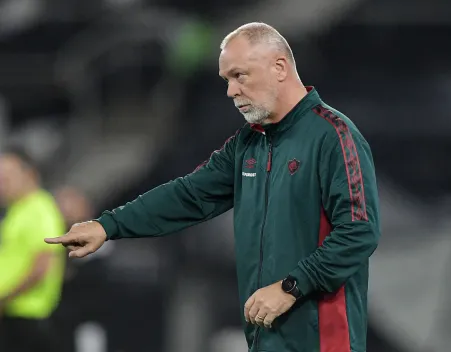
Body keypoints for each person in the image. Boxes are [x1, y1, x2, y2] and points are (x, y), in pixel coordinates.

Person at [45, 22, 381, 352]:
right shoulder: (249, 143)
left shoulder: (333, 137)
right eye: (227, 79)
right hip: (267, 334)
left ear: (279, 67)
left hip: (322, 337)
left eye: (240, 76)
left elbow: (359, 232)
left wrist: (291, 287)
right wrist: (109, 225)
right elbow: (188, 195)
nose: (231, 91)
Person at [0, 145, 66, 351]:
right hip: (12, 315)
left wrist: (5, 298)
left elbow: (42, 266)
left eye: (7, 177)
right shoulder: (17, 210)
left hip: (27, 317)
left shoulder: (40, 209)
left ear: (29, 174)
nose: (2, 184)